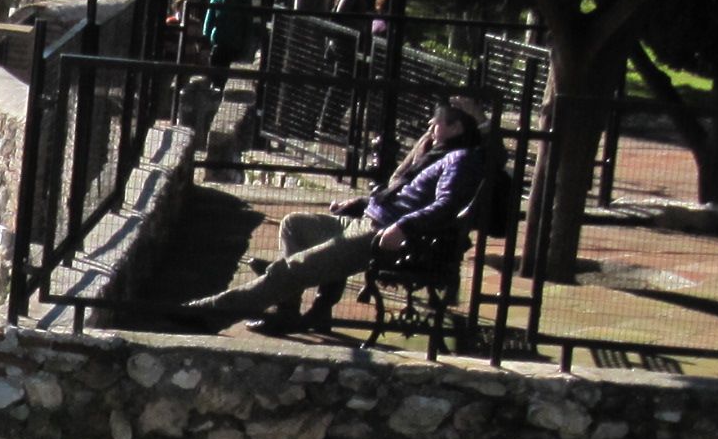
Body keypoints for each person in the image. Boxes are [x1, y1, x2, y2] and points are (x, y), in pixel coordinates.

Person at [175, 98, 491, 331]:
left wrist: (403, 228)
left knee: (289, 270)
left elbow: (445, 205)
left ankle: (210, 312)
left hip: (378, 233)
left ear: (457, 127)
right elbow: (400, 192)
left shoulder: (460, 160)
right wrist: (358, 203)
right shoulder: (437, 153)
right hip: (367, 217)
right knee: (294, 225)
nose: (431, 127)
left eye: (438, 122)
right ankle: (289, 308)